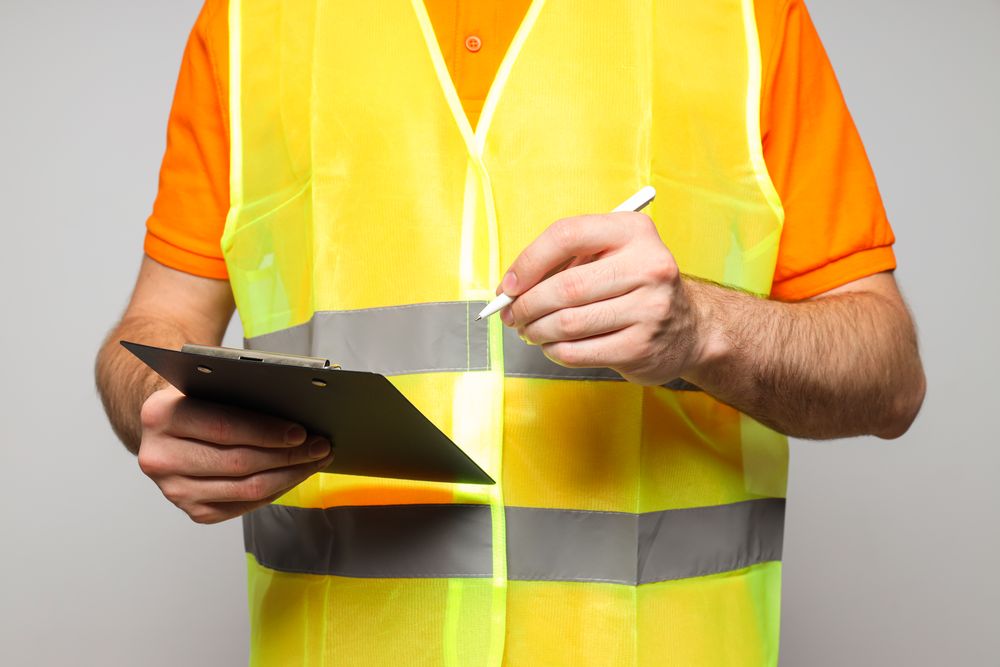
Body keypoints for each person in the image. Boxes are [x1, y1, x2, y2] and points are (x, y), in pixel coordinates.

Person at [95, 0, 926, 664]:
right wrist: (159, 409)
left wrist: (701, 327)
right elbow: (150, 328)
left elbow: (887, 374)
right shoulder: (251, 25)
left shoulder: (742, 17)